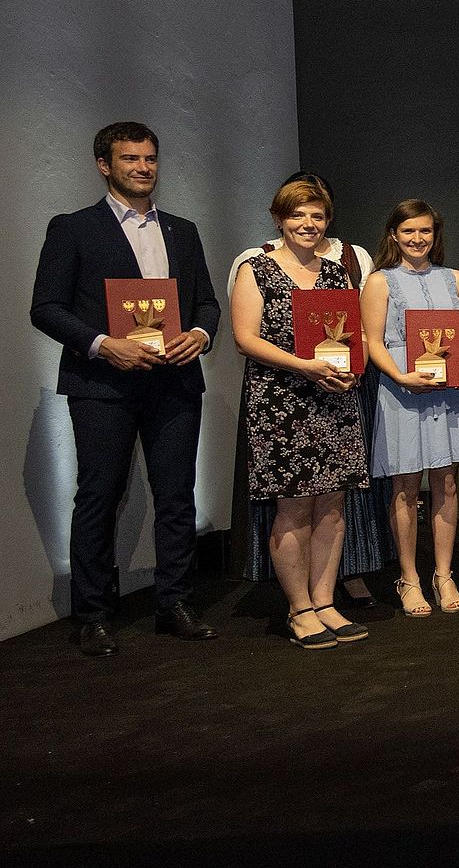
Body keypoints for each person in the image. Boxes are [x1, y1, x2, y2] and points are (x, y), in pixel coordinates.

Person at [30, 122, 221, 656]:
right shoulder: (72, 228)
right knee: (97, 497)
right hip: (101, 385)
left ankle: (174, 604)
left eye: (150, 158)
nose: (142, 167)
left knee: (177, 497)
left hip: (175, 382)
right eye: (130, 158)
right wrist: (101, 344)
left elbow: (206, 302)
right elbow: (45, 308)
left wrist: (201, 335)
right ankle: (92, 614)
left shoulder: (183, 230)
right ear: (104, 165)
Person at [226, 171, 391, 605]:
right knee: (294, 509)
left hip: (335, 400)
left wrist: (352, 370)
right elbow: (245, 339)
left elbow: (350, 336)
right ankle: (300, 608)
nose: (308, 224)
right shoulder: (255, 269)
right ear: (279, 219)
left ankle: (325, 603)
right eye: (297, 215)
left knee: (333, 508)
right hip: (282, 403)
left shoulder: (338, 274)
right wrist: (305, 367)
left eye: (317, 216)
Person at [361, 199, 459, 616]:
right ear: (394, 234)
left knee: (447, 483)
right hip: (401, 391)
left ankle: (443, 574)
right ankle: (409, 578)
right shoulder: (379, 281)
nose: (418, 239)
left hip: (448, 391)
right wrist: (399, 377)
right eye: (409, 231)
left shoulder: (456, 279)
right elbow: (372, 343)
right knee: (406, 487)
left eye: (425, 231)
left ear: (436, 234)